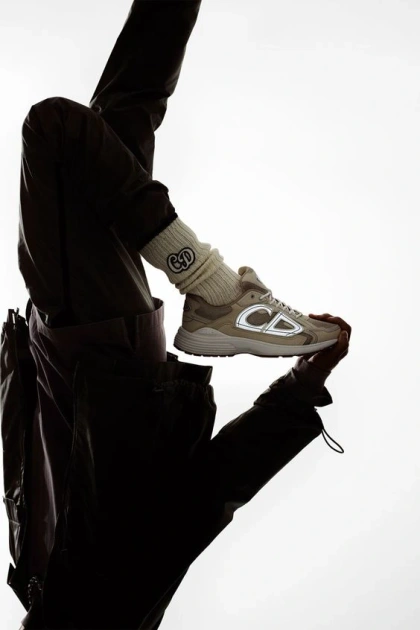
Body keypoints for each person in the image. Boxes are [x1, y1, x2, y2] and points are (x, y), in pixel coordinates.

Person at [13, 1, 351, 628]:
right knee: (57, 130)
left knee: (121, 117)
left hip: (65, 335)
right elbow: (207, 495)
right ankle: (214, 291)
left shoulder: (28, 566)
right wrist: (299, 390)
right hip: (98, 349)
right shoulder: (99, 610)